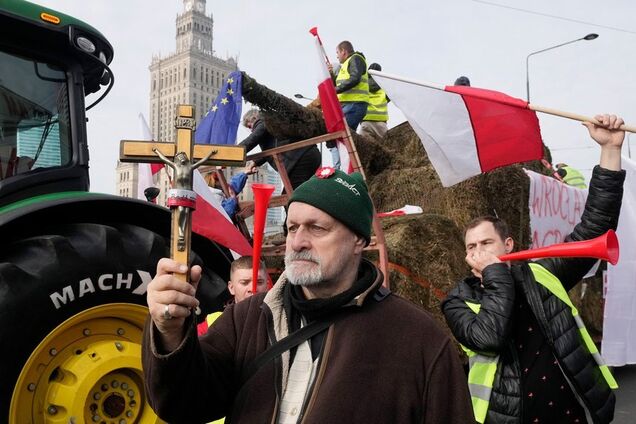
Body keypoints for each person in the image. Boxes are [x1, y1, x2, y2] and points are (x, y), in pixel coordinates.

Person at [142, 167, 474, 423]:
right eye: (292, 227)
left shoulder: (417, 340)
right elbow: (184, 403)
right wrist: (169, 334)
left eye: (317, 228)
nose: (298, 241)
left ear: (359, 240)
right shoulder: (248, 318)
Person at [442, 114, 626, 424]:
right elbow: (490, 338)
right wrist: (495, 273)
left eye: (487, 243)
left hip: (576, 413)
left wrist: (610, 150)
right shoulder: (457, 300)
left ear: (509, 245)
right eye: (471, 248)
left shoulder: (542, 274)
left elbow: (596, 226)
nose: (479, 252)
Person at [240, 109, 321, 191]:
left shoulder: (263, 122)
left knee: (292, 196)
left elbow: (252, 140)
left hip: (299, 159)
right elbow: (271, 150)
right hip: (307, 154)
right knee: (300, 192)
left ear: (253, 118)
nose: (251, 130)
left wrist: (232, 152)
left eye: (250, 126)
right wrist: (255, 162)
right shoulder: (273, 123)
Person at [197, 255, 268, 335]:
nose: (252, 288)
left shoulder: (280, 320)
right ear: (231, 288)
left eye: (259, 282)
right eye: (244, 282)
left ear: (267, 286)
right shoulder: (213, 323)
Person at [327, 41, 369, 169]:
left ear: (344, 51)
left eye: (337, 53)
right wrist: (331, 75)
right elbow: (341, 84)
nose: (337, 56)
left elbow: (354, 78)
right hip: (350, 105)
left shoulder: (356, 59)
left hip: (355, 104)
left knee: (343, 138)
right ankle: (346, 168)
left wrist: (336, 90)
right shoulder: (346, 65)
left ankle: (346, 170)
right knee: (341, 138)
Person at [358, 62, 389, 140]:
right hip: (381, 124)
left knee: (364, 150)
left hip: (366, 122)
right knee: (386, 149)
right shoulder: (385, 87)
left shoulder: (362, 86)